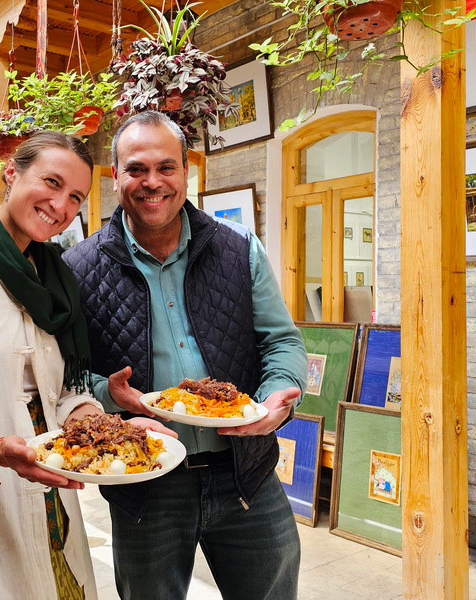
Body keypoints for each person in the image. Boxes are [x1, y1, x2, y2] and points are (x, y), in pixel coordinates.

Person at [0, 131, 172, 599]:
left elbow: (62, 394)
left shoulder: (54, 277)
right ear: (11, 173)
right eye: (51, 182)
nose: (61, 205)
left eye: (75, 196)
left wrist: (111, 431)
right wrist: (0, 449)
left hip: (55, 495)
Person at [63, 111, 308, 600]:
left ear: (186, 172)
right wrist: (104, 396)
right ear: (116, 178)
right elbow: (65, 378)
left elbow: (281, 341)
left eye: (166, 167)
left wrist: (280, 393)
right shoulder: (77, 268)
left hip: (246, 473)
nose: (152, 182)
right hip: (143, 481)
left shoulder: (240, 250)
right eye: (136, 169)